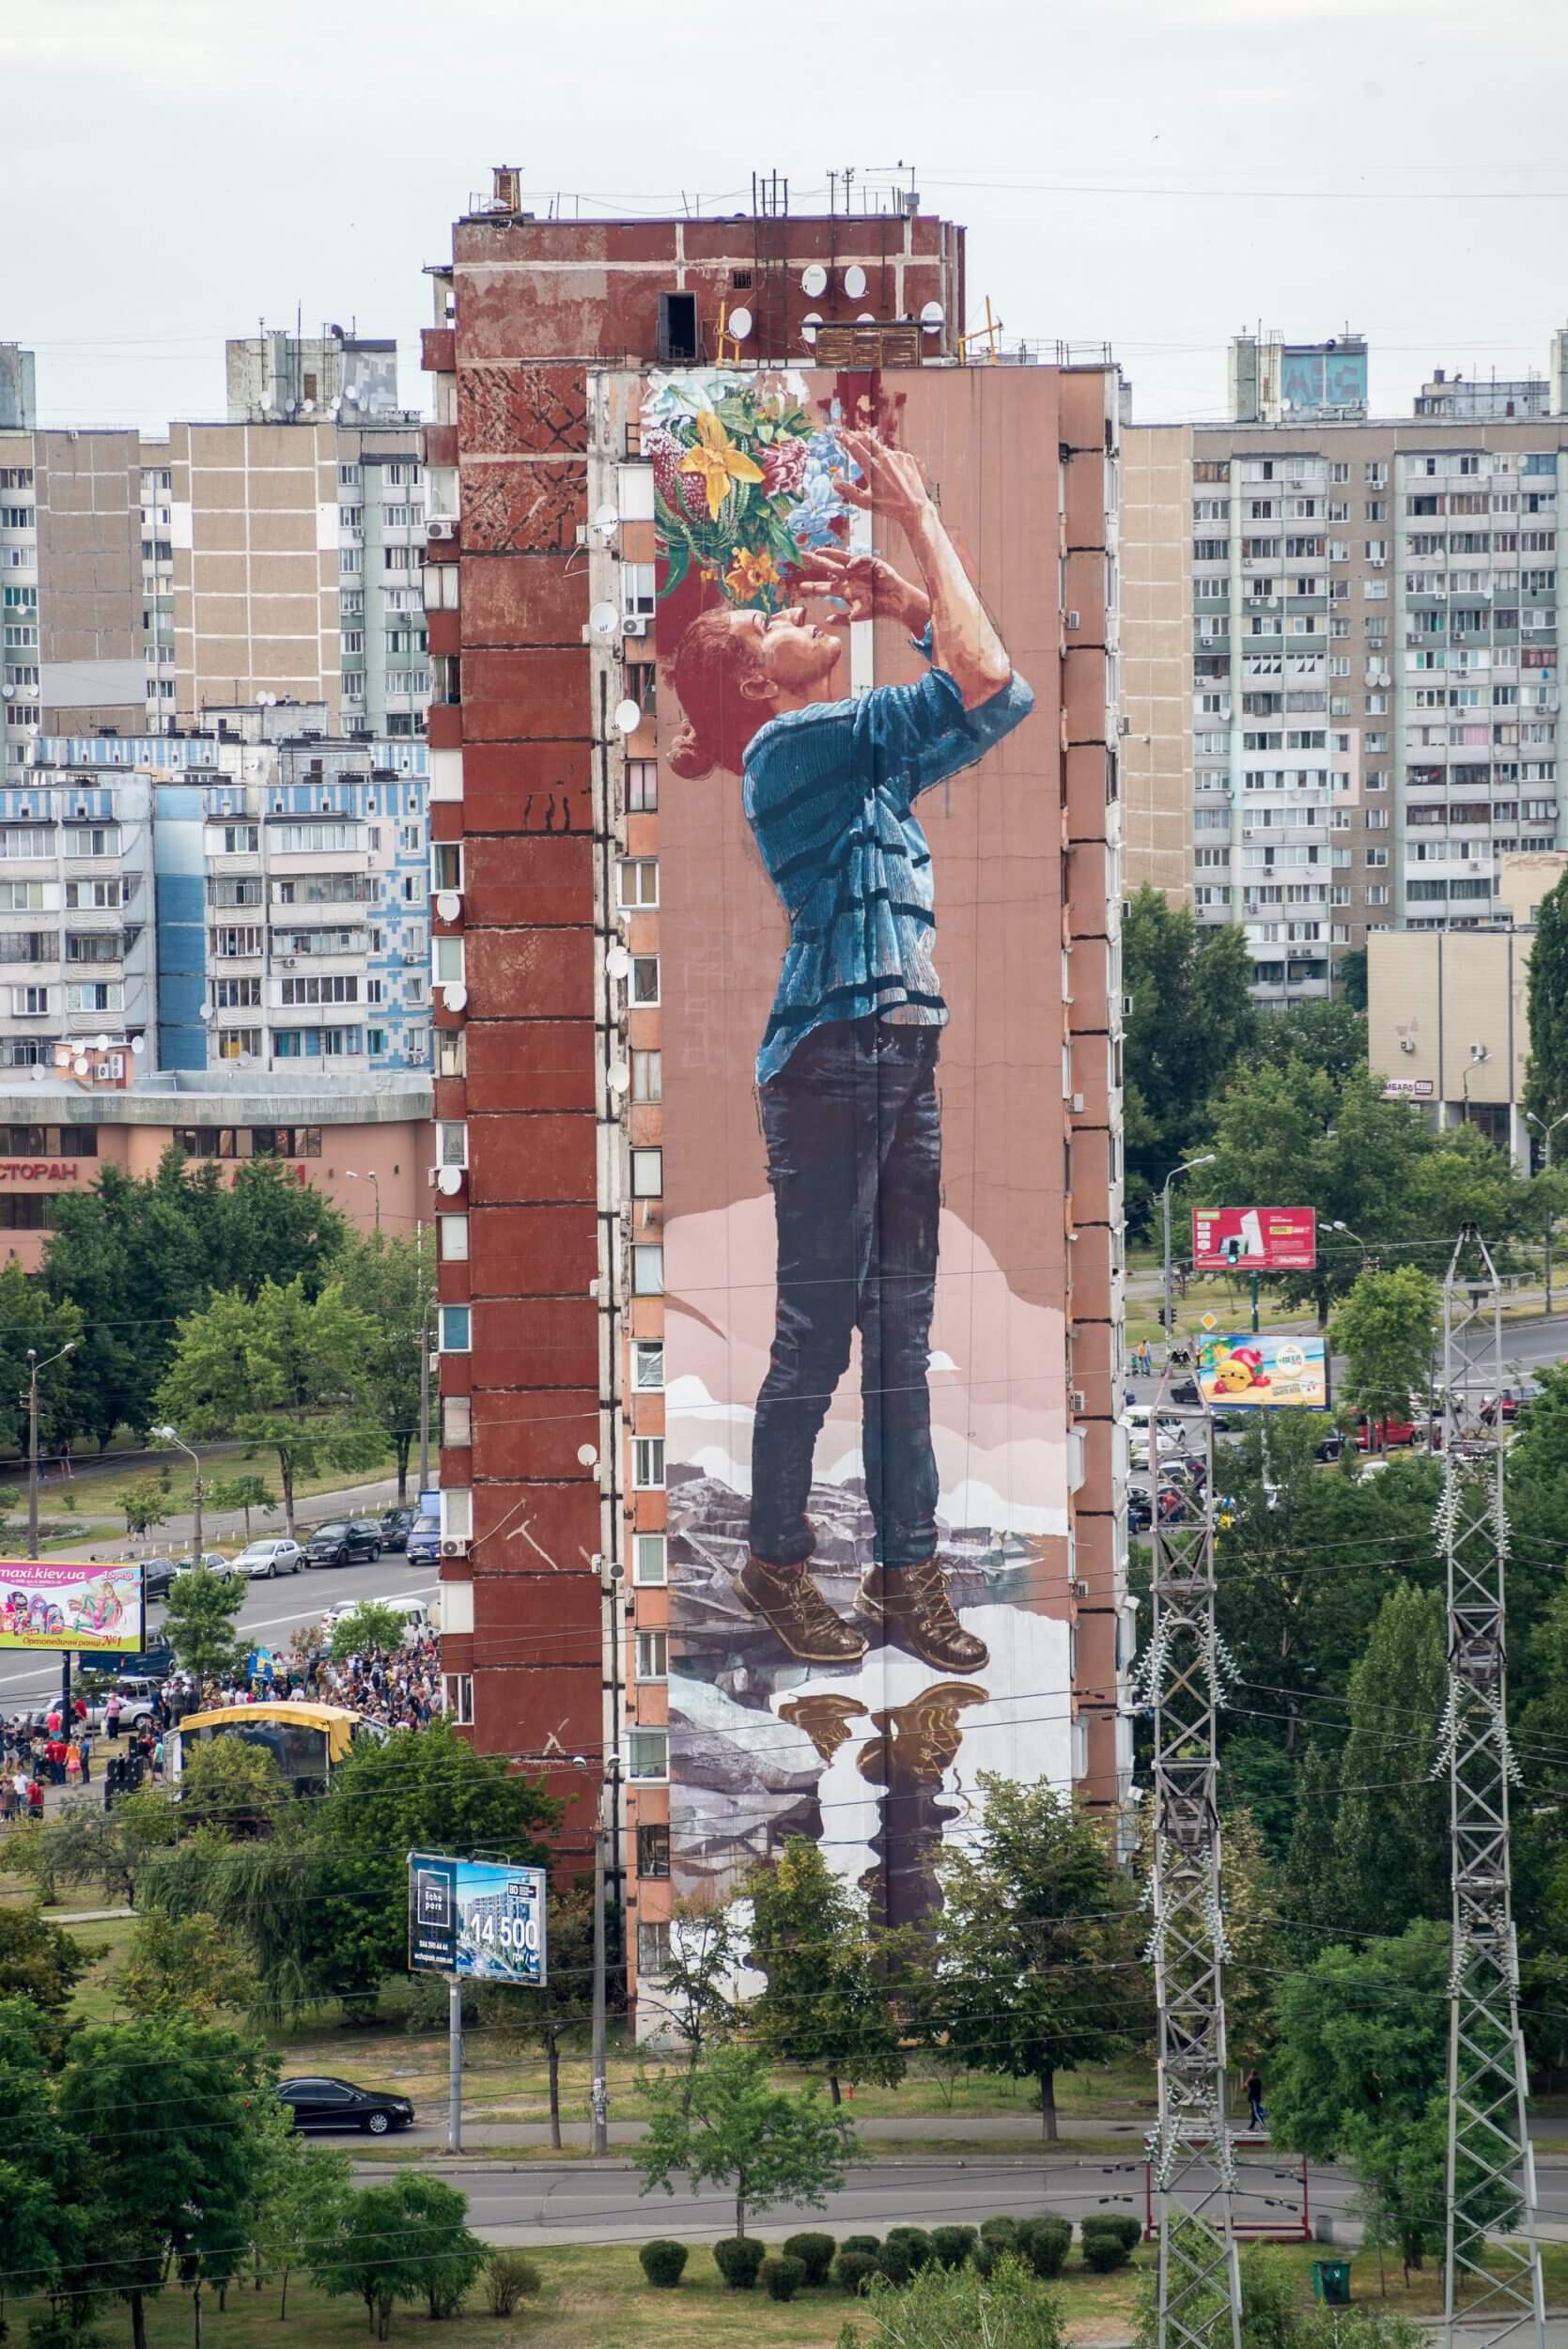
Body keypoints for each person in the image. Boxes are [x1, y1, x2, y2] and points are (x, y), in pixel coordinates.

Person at [665, 427, 1032, 1674]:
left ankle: (906, 1573)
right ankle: (776, 1562)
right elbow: (975, 673)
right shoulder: (795, 750)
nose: (798, 606)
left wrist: (915, 598)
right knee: (818, 1334)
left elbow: (1001, 691)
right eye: (768, 613)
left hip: (898, 1050)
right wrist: (919, 517)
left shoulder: (867, 767)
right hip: (830, 1056)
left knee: (901, 1331)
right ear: (754, 681)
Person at [1246, 2067, 1266, 2131]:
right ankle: (1252, 2126)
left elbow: (1245, 2085)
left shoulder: (1253, 2081)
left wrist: (1249, 2078)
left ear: (1253, 2075)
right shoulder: (1258, 2081)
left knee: (1255, 2113)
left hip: (1254, 2099)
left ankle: (1263, 2125)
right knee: (1254, 2114)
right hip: (1257, 2098)